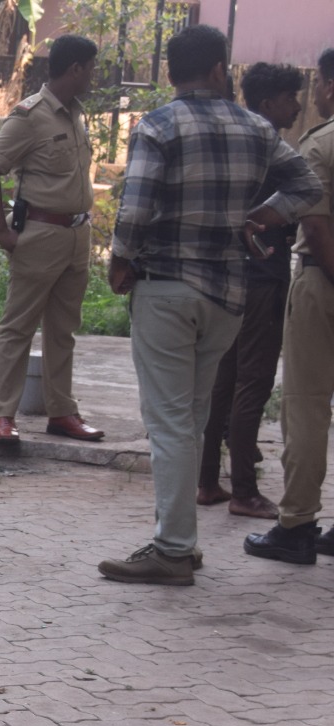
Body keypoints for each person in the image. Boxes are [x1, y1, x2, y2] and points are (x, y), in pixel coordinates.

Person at [100, 24, 324, 586]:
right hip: (228, 291)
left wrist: (119, 260)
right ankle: (180, 542)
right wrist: (264, 215)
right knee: (193, 417)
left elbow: (135, 208)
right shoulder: (256, 127)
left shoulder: (158, 126)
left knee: (171, 419)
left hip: (167, 289)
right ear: (221, 70)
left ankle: (173, 548)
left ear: (172, 72)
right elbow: (308, 185)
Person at [0, 35, 106, 444]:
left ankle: (62, 412)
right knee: (18, 327)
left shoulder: (76, 114)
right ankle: (3, 415)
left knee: (63, 329)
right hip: (41, 233)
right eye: (91, 68)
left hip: (76, 234)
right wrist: (2, 230)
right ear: (75, 69)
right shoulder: (30, 115)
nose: (93, 75)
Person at [197, 63, 306, 519]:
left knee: (222, 380)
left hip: (227, 274)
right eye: (288, 98)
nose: (297, 105)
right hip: (262, 275)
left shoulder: (229, 138)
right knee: (253, 383)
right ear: (267, 104)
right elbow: (307, 193)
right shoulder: (271, 147)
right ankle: (244, 489)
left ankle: (207, 480)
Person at [245, 49, 334, 565]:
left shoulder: (320, 145)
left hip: (324, 285)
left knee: (305, 405)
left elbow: (317, 227)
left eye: (319, 82)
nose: (313, 94)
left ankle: (297, 523)